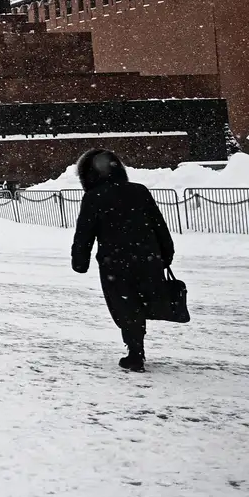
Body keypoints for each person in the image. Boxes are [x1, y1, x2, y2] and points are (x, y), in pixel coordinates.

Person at [70, 149, 175, 372]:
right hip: (147, 257)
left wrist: (80, 260)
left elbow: (84, 233)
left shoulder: (94, 197)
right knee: (140, 301)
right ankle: (137, 347)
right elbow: (158, 225)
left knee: (125, 306)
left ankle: (135, 351)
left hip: (114, 262)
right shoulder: (139, 191)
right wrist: (166, 253)